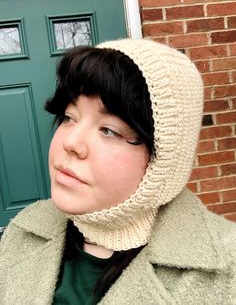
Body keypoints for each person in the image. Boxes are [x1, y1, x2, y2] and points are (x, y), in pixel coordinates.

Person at [0, 38, 236, 305]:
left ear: (165, 159)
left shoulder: (227, 270)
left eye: (109, 130)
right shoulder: (23, 231)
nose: (71, 143)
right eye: (69, 117)